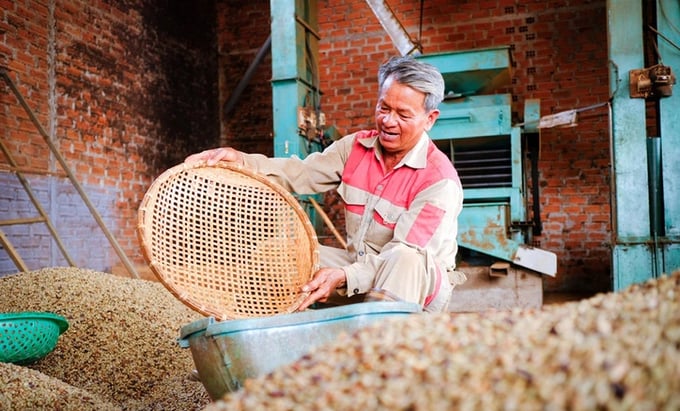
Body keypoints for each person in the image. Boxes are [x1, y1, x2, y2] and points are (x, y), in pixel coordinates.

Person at [185, 55, 465, 313]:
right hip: (359, 270)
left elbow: (402, 256)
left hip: (413, 289)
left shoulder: (439, 181)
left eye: (403, 115)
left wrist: (344, 276)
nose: (388, 121)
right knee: (275, 256)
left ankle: (380, 359)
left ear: (430, 119)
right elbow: (301, 172)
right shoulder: (355, 148)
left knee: (405, 259)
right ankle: (261, 345)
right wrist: (242, 161)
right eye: (383, 107)